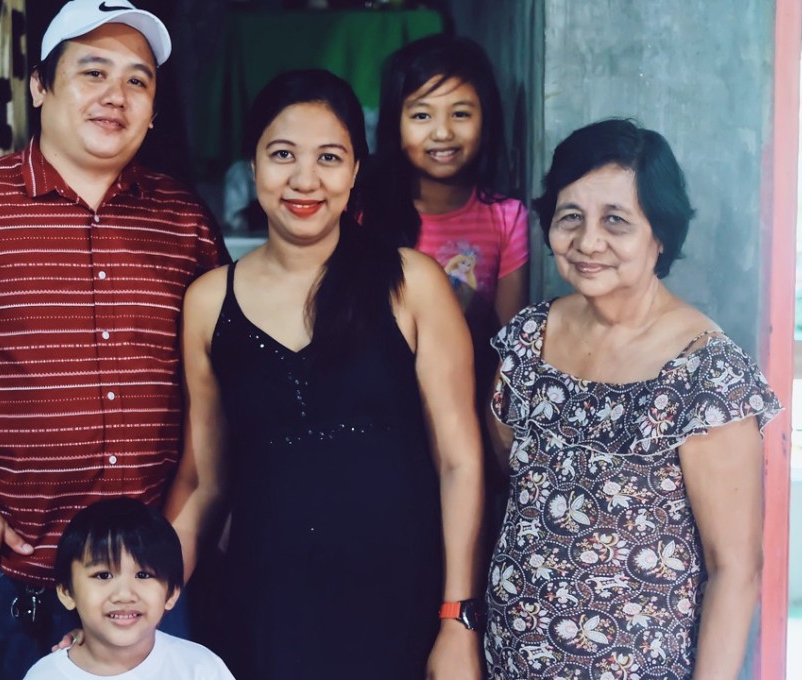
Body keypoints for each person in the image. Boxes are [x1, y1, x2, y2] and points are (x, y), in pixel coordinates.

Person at [0, 2, 227, 677]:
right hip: (10, 571)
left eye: (137, 81)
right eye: (92, 72)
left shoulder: (185, 220)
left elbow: (212, 384)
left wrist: (186, 530)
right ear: (40, 86)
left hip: (143, 581)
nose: (115, 98)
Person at [165, 69, 486, 680]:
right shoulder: (209, 300)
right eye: (282, 154)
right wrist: (137, 593)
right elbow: (204, 481)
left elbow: (460, 463)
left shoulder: (410, 282)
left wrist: (457, 618)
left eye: (329, 157)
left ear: (356, 171)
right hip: (265, 610)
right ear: (252, 166)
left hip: (402, 605)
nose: (304, 180)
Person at [484, 118, 782, 679]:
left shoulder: (705, 374)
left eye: (615, 221)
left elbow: (735, 569)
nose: (588, 241)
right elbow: (507, 478)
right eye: (570, 216)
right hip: (509, 664)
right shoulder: (527, 341)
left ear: (660, 233)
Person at [361, 34, 529, 387]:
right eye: (422, 114)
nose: (442, 132)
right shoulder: (365, 210)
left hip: (467, 388)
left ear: (486, 122)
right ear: (395, 123)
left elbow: (509, 342)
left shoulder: (507, 218)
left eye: (461, 113)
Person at [23, 498, 235, 679]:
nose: (124, 594)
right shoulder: (45, 675)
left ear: (171, 593)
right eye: (103, 575)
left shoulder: (200, 669)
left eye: (143, 575)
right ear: (66, 592)